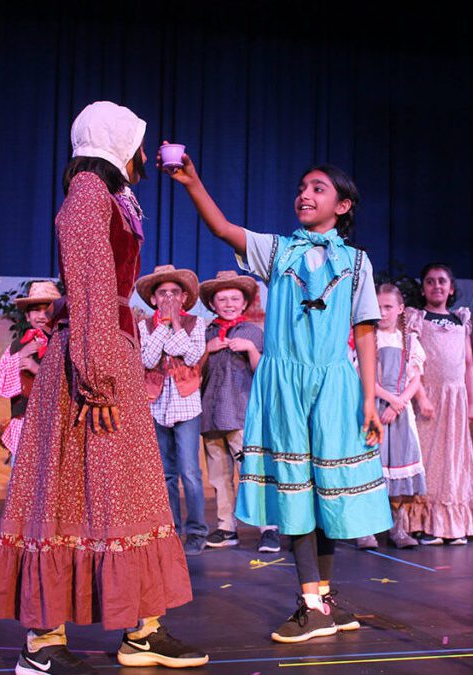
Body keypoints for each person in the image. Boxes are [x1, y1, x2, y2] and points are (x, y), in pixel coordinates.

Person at [0, 101, 208, 673]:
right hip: (91, 362)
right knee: (67, 490)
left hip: (108, 351)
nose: (142, 151)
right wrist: (99, 377)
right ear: (115, 143)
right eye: (138, 140)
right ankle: (43, 636)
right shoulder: (87, 194)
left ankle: (143, 627)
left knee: (127, 490)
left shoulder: (107, 197)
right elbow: (86, 290)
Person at [163, 151, 391, 643]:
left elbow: (367, 332)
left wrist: (369, 399)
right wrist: (193, 182)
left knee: (327, 494)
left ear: (343, 206)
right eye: (302, 186)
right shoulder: (278, 251)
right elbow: (223, 228)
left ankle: (320, 601)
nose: (305, 194)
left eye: (318, 188)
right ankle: (313, 600)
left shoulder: (356, 263)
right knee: (296, 491)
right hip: (284, 385)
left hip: (333, 384)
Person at [407, 263, 473, 546]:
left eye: (442, 281)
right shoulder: (417, 318)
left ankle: (454, 526)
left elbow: (468, 364)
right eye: (430, 282)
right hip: (429, 398)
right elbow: (411, 362)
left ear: (451, 288)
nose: (436, 286)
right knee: (429, 458)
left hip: (455, 400)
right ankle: (427, 523)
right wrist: (420, 396)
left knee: (455, 460)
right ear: (423, 289)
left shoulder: (460, 320)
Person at [198, 270, 280, 553]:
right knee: (219, 476)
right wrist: (206, 350)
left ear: (245, 303)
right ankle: (226, 527)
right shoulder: (206, 333)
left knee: (252, 472)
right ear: (212, 303)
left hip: (240, 414)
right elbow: (193, 373)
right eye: (223, 299)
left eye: (235, 298)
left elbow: (264, 374)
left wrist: (250, 350)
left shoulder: (252, 332)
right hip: (211, 415)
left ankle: (267, 527)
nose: (229, 303)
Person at [136, 264, 209, 556]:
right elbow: (147, 358)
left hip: (186, 402)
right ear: (153, 299)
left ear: (183, 298)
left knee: (189, 471)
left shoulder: (196, 323)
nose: (168, 298)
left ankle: (196, 531)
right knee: (165, 472)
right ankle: (171, 529)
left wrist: (176, 324)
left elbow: (192, 355)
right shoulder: (145, 326)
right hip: (156, 403)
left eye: (174, 293)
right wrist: (164, 324)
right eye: (162, 293)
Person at [354, 284, 426, 550]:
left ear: (400, 309)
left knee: (400, 471)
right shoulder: (367, 337)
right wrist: (389, 400)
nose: (383, 312)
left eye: (388, 307)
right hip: (374, 408)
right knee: (372, 469)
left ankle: (398, 528)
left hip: (400, 413)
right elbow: (364, 376)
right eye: (378, 307)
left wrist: (398, 404)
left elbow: (415, 377)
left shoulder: (408, 340)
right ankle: (366, 530)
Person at [0, 280, 61, 460]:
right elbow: (1, 385)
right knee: (20, 478)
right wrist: (22, 355)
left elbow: (70, 385)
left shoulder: (64, 344)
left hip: (55, 423)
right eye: (36, 310)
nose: (42, 315)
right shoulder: (16, 346)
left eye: (48, 310)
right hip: (24, 422)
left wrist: (36, 368)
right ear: (28, 316)